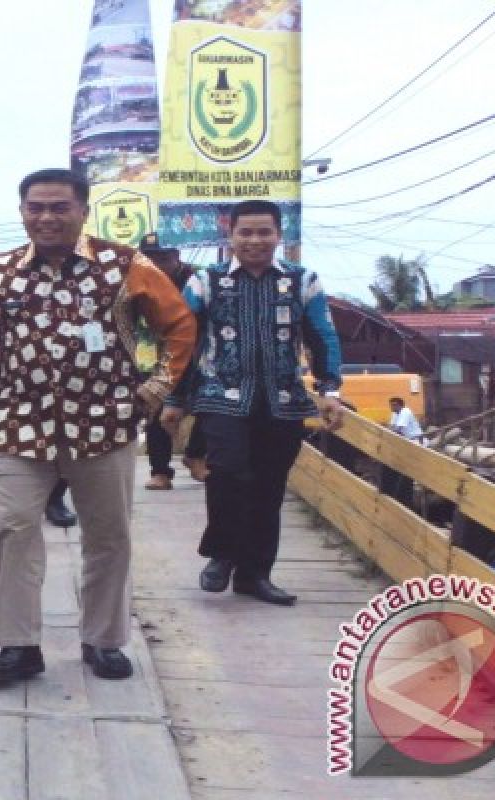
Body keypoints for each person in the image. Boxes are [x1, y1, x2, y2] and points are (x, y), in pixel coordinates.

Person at [0, 168, 196, 682]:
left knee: (109, 536)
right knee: (13, 529)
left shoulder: (126, 265)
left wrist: (156, 386)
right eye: (35, 207)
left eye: (59, 206)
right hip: (18, 424)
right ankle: (18, 645)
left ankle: (103, 640)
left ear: (83, 209)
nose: (46, 217)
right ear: (21, 212)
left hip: (104, 423)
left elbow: (179, 325)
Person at [161, 199, 344, 607]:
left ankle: (254, 574)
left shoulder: (302, 281)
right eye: (246, 232)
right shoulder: (206, 283)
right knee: (226, 471)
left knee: (268, 488)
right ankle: (222, 552)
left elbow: (323, 337)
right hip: (220, 396)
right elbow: (184, 344)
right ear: (231, 235)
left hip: (283, 401)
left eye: (264, 232)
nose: (255, 240)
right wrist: (174, 398)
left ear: (279, 235)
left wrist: (330, 391)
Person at [136, 233, 198, 491]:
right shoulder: (135, 279)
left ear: (176, 256)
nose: (157, 263)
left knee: (210, 407)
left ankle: (196, 454)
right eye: (150, 258)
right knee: (157, 410)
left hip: (197, 354)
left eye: (163, 257)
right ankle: (160, 472)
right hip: (155, 357)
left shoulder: (196, 279)